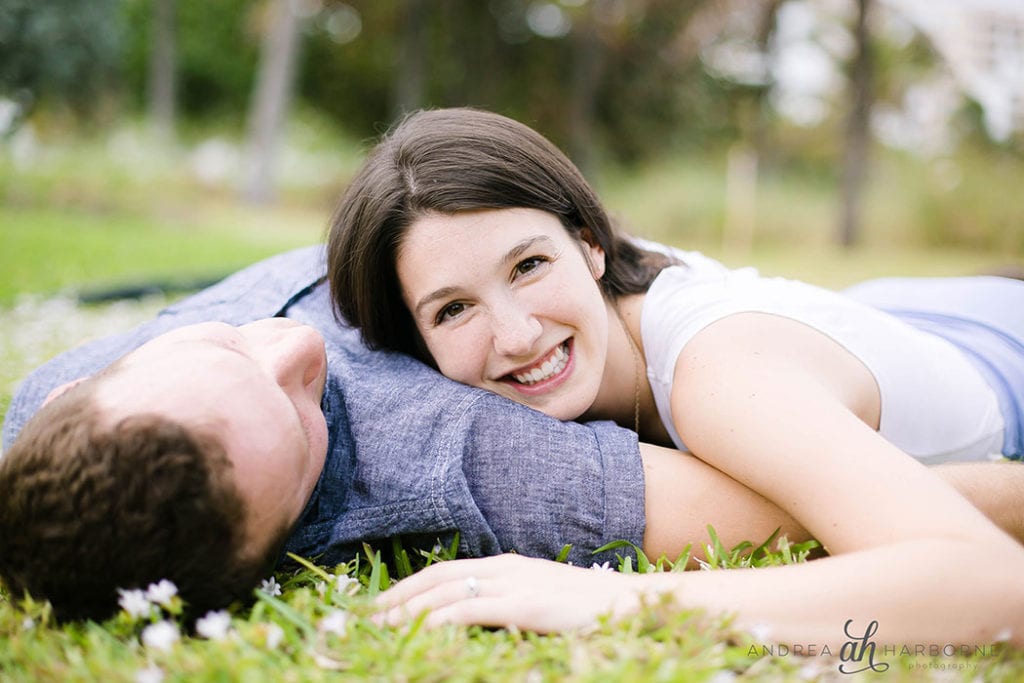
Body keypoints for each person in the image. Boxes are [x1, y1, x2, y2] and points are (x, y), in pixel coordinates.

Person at [3, 247, 1022, 630]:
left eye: (221, 346)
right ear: (282, 542)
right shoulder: (463, 459)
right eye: (304, 414)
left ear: (97, 380)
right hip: (959, 359)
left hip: (849, 319)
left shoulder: (45, 422)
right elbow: (818, 506)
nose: (293, 344)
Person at [327, 107, 1024, 646]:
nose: (515, 334)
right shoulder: (619, 316)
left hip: (997, 340)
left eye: (529, 265)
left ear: (591, 244)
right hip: (887, 310)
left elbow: (993, 585)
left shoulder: (721, 376)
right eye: (453, 309)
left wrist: (603, 600)